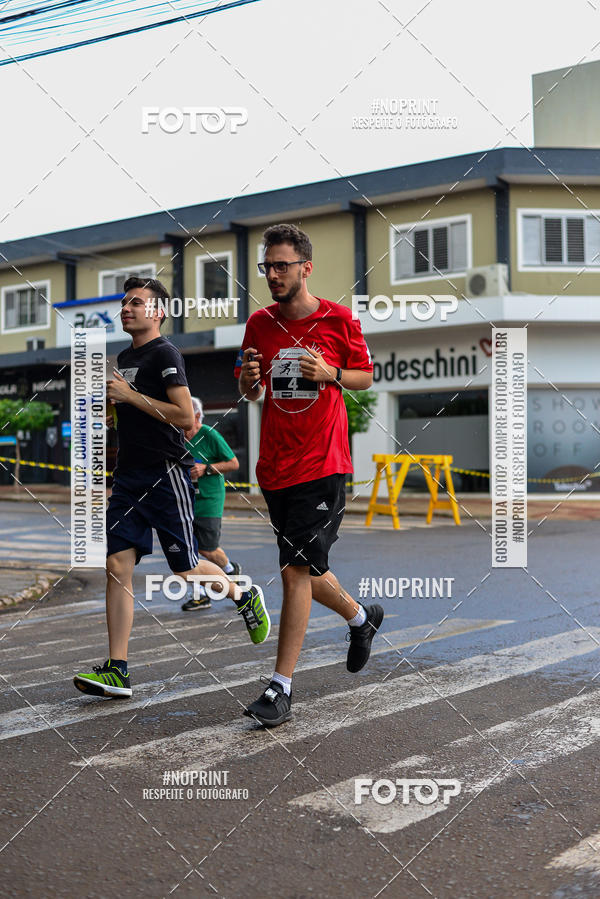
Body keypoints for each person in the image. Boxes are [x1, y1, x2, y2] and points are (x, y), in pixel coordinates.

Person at [73, 276, 270, 699]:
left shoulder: (166, 353)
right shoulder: (125, 355)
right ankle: (118, 669)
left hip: (167, 475)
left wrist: (130, 396)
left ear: (159, 312)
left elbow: (183, 416)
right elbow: (130, 411)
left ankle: (242, 593)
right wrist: (114, 409)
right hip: (128, 478)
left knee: (185, 567)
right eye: (124, 303)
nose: (126, 308)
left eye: (136, 303)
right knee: (116, 566)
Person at [236, 223, 383, 727]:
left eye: (281, 266)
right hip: (275, 467)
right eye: (267, 266)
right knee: (307, 570)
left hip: (323, 464)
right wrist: (248, 381)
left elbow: (365, 375)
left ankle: (281, 689)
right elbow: (253, 392)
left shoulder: (339, 319)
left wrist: (332, 375)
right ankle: (361, 618)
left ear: (306, 268)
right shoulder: (259, 324)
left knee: (294, 570)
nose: (273, 275)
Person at [181, 396, 243, 611]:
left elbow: (233, 463)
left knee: (207, 550)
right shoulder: (177, 437)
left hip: (209, 499)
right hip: (185, 500)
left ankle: (230, 568)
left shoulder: (210, 434)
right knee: (188, 551)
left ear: (197, 416)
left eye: (186, 415)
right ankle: (199, 596)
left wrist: (205, 468)